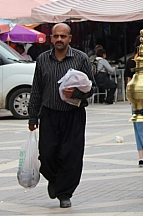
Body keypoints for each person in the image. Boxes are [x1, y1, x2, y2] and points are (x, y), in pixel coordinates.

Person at [27, 23, 96, 208]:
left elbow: (92, 88)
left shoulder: (80, 59)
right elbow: (36, 90)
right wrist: (32, 116)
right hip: (49, 114)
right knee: (47, 154)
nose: (59, 39)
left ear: (70, 38)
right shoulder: (42, 59)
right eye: (56, 36)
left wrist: (76, 94)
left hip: (73, 115)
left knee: (71, 156)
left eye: (63, 36)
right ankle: (54, 180)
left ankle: (64, 193)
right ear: (51, 38)